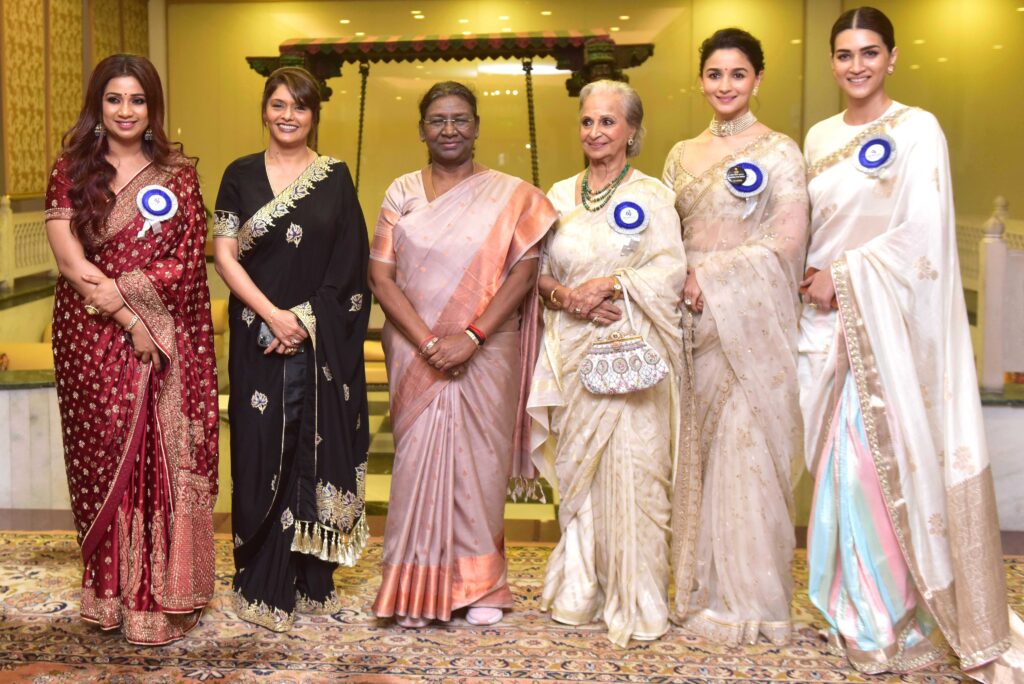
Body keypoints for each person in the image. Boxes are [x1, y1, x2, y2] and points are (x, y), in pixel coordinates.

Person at [799, 7, 1024, 680]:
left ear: (893, 58)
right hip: (824, 331)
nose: (857, 65)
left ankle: (889, 619)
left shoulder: (918, 129)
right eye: (845, 54)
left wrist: (843, 276)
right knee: (835, 474)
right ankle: (850, 609)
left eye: (870, 52)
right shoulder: (818, 137)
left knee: (872, 472)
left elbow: (923, 235)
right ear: (832, 62)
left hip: (889, 332)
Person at [43, 54, 218, 644]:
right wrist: (128, 316)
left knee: (160, 460)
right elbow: (71, 262)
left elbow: (188, 259)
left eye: (137, 100)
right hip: (89, 336)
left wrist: (141, 312)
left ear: (153, 107)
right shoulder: (71, 169)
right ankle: (109, 595)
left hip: (165, 332)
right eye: (114, 99)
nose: (126, 111)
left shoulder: (177, 174)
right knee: (103, 459)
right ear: (98, 105)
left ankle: (162, 594)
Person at [368, 81, 557, 628]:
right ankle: (414, 588)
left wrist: (470, 337)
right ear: (421, 129)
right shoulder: (402, 192)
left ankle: (482, 585)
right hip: (415, 350)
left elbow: (525, 272)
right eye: (437, 120)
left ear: (476, 127)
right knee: (414, 467)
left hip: (487, 349)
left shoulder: (512, 196)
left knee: (481, 466)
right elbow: (380, 277)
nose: (448, 129)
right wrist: (430, 343)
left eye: (459, 119)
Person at [662, 29, 808, 646]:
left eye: (738, 74)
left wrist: (713, 276)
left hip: (750, 326)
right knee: (693, 454)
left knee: (744, 453)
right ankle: (695, 590)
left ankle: (750, 601)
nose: (725, 85)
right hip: (686, 325)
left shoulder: (780, 151)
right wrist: (679, 280)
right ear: (701, 80)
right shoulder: (679, 155)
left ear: (757, 79)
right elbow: (663, 239)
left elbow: (788, 242)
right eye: (715, 74)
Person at [527, 79, 686, 647]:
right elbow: (536, 272)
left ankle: (638, 599)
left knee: (639, 476)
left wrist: (613, 284)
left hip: (633, 355)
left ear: (632, 131)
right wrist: (569, 297)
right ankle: (580, 589)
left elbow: (669, 269)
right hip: (571, 353)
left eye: (608, 122)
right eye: (588, 121)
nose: (595, 132)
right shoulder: (559, 195)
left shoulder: (653, 195)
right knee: (580, 474)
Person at [213, 67, 370, 632]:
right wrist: (273, 315)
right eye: (278, 105)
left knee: (309, 441)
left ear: (313, 115)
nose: (288, 116)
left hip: (314, 341)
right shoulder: (239, 174)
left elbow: (350, 264)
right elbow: (225, 256)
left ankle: (308, 576)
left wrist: (303, 320)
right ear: (264, 109)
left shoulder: (335, 178)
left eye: (299, 107)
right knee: (259, 447)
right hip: (256, 336)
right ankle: (261, 577)